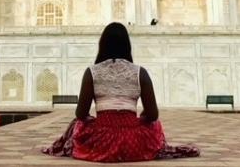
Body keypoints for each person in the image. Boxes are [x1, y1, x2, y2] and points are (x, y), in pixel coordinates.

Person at [43, 22, 199, 162]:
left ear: (102, 45)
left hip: (100, 142)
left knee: (76, 125)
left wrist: (93, 120)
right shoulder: (140, 72)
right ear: (127, 46)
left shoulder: (92, 72)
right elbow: (153, 115)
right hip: (135, 142)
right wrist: (141, 118)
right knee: (155, 125)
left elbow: (80, 113)